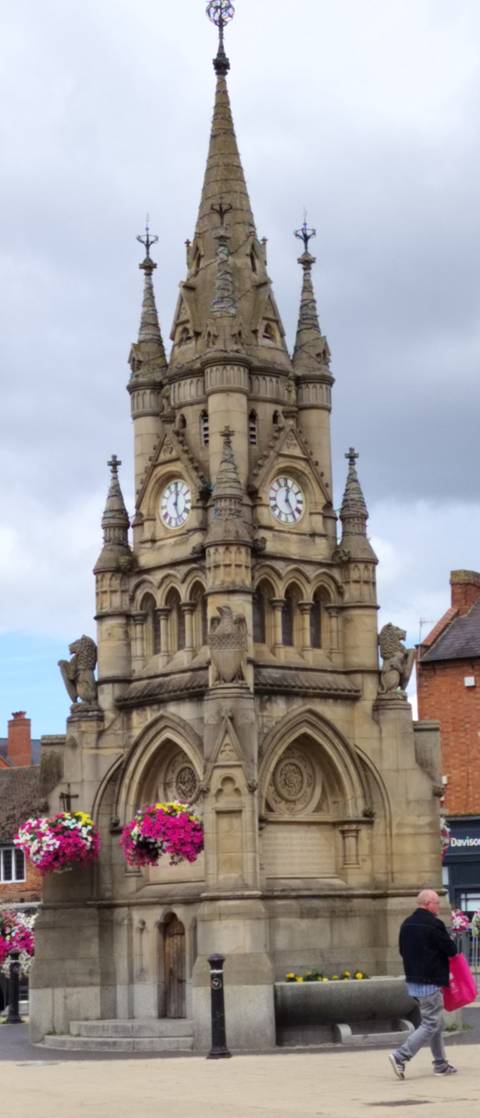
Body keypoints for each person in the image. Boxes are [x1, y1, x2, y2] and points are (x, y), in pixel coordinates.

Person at [389, 888, 458, 1079]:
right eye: (437, 902)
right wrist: (451, 938)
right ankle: (400, 1056)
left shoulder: (407, 924)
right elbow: (451, 950)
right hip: (431, 981)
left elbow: (402, 951)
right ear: (428, 903)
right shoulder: (434, 925)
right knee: (430, 1023)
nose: (439, 906)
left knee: (436, 1021)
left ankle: (440, 1064)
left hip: (413, 981)